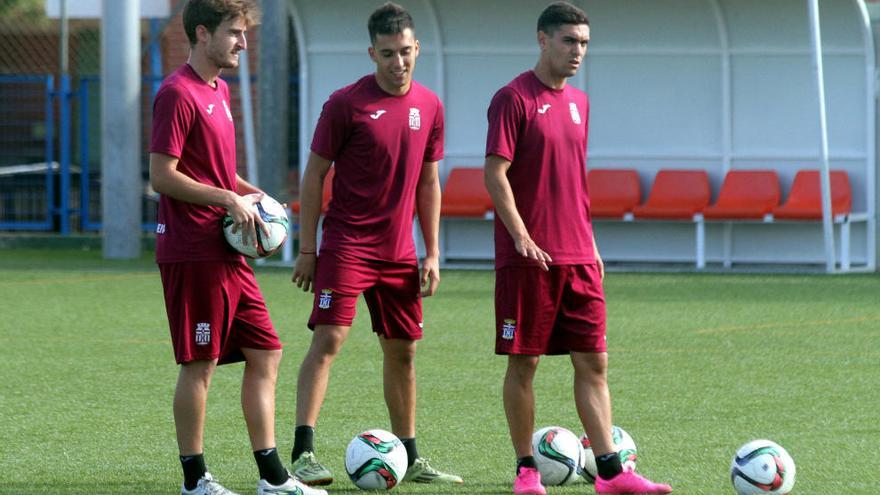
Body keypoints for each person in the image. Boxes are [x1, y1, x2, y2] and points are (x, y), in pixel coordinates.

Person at [482, 3, 674, 495]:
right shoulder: (512, 98)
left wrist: (591, 243)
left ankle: (611, 474)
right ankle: (527, 471)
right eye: (569, 41)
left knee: (594, 362)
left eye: (584, 43)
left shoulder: (580, 103)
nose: (578, 52)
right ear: (543, 40)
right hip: (528, 260)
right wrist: (522, 235)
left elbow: (573, 183)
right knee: (524, 364)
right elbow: (495, 173)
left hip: (579, 258)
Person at [149, 1, 326, 494]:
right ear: (202, 33)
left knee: (266, 351)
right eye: (234, 33)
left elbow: (219, 173)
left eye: (245, 34)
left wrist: (254, 195)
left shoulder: (219, 90)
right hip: (192, 250)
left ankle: (272, 478)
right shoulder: (176, 93)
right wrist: (228, 197)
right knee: (199, 363)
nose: (243, 44)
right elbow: (162, 175)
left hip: (228, 250)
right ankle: (195, 480)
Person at [289, 1, 462, 487]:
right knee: (329, 340)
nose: (398, 62)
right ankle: (303, 452)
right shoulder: (345, 104)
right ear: (372, 53)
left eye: (405, 52)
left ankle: (409, 455)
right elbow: (313, 177)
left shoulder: (430, 106)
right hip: (346, 245)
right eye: (387, 53)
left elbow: (429, 182)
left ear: (417, 49)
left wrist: (431, 251)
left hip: (399, 252)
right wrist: (309, 249)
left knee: (403, 351)